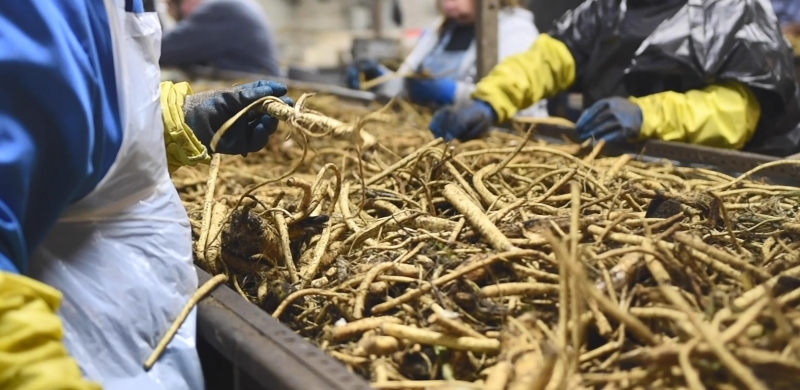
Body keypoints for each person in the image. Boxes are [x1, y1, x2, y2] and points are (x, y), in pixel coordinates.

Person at [0, 1, 291, 389]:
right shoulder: (36, 13)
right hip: (75, 354)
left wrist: (180, 121)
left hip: (134, 340)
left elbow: (82, 117)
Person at [429, 0, 800, 157]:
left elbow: (737, 112)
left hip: (718, 180)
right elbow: (552, 56)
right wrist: (490, 101)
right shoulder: (609, 5)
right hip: (617, 164)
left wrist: (647, 117)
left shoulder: (733, 9)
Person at [346, 0, 548, 118]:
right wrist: (380, 79)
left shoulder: (516, 30)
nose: (449, 4)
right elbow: (409, 78)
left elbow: (521, 104)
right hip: (435, 130)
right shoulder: (442, 29)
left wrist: (454, 95)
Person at [160, 0, 282, 75]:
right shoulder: (229, 5)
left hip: (256, 91)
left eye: (171, 6)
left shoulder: (218, 10)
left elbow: (161, 51)